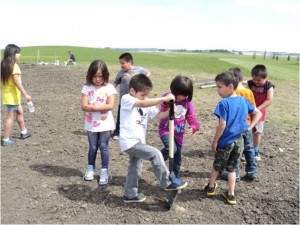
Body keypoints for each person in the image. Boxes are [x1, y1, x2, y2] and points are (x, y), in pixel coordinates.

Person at [120, 74, 187, 203]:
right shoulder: (127, 98)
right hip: (130, 142)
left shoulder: (146, 102)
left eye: (146, 95)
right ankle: (167, 182)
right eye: (143, 95)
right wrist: (163, 98)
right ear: (132, 91)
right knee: (155, 154)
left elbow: (160, 115)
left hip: (138, 141)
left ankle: (130, 194)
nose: (145, 97)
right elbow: (142, 103)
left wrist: (174, 110)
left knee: (135, 167)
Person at [205, 71, 262, 205]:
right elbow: (257, 113)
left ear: (230, 86)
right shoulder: (243, 100)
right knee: (232, 168)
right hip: (239, 141)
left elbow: (222, 125)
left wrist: (215, 141)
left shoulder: (223, 103)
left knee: (217, 166)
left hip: (225, 142)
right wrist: (250, 127)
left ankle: (211, 188)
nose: (217, 90)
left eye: (219, 87)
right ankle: (231, 194)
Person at [81, 60, 117, 185]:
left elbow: (111, 105)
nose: (97, 79)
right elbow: (83, 106)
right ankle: (90, 168)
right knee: (92, 147)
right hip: (91, 124)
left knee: (104, 147)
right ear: (90, 75)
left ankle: (104, 170)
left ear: (105, 75)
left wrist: (93, 107)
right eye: (94, 76)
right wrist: (101, 106)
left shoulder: (110, 88)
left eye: (100, 76)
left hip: (106, 124)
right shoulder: (86, 87)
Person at [220, 68, 258, 182]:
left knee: (235, 152)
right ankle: (252, 171)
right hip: (246, 125)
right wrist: (251, 126)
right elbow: (253, 109)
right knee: (249, 149)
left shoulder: (232, 93)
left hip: (235, 127)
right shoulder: (249, 92)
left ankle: (235, 173)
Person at [159, 75, 200, 179]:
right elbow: (162, 108)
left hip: (179, 133)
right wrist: (167, 102)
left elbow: (191, 116)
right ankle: (157, 158)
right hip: (166, 130)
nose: (181, 97)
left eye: (184, 95)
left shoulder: (188, 102)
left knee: (177, 159)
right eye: (179, 94)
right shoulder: (168, 97)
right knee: (171, 149)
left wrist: (194, 126)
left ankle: (174, 179)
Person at [112, 52, 151, 140]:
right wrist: (109, 91)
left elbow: (148, 73)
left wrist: (138, 76)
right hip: (124, 99)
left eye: (123, 63)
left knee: (134, 116)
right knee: (121, 116)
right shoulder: (121, 73)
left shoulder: (138, 70)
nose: (121, 65)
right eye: (120, 63)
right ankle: (117, 132)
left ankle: (130, 132)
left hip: (135, 99)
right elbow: (115, 84)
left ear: (129, 62)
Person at [1, 44, 33, 146]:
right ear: (12, 54)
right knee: (11, 116)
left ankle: (24, 131)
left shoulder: (4, 65)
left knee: (20, 111)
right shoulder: (14, 67)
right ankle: (5, 139)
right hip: (12, 96)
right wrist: (26, 95)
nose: (20, 55)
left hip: (9, 95)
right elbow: (17, 82)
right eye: (18, 53)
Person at [247, 64, 275, 161]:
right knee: (246, 130)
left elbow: (269, 100)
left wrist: (257, 109)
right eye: (254, 79)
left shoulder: (269, 86)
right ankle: (244, 150)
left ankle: (256, 151)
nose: (256, 82)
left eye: (259, 80)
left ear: (265, 78)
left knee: (257, 132)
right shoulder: (250, 84)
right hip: (248, 111)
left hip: (259, 112)